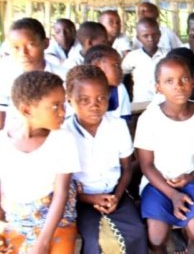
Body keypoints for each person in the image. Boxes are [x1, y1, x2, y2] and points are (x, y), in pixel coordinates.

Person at [63, 65, 146, 253]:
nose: (94, 105)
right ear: (69, 100)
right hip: (79, 199)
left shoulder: (117, 126)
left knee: (137, 232)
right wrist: (89, 198)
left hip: (115, 193)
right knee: (95, 240)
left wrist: (116, 196)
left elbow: (126, 169)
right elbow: (62, 182)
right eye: (84, 100)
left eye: (101, 98)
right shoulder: (63, 133)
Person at [134, 56, 194, 254]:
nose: (178, 86)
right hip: (157, 183)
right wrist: (173, 195)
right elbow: (147, 166)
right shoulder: (149, 119)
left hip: (192, 180)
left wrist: (190, 177)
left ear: (193, 81)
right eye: (169, 81)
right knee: (156, 237)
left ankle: (190, 251)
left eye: (184, 79)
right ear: (158, 87)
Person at [0, 71, 80, 253]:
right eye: (54, 106)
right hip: (17, 218)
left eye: (63, 104)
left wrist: (43, 242)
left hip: (55, 219)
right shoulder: (3, 141)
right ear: (27, 110)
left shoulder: (63, 140)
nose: (63, 112)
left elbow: (61, 194)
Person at [0, 18, 68, 130]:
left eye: (31, 45)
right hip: (15, 141)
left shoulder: (64, 77)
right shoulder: (5, 77)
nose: (23, 53)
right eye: (16, 48)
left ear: (46, 43)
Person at [122, 18, 170, 102]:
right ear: (138, 38)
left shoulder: (168, 55)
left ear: (159, 34)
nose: (150, 39)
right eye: (145, 36)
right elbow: (122, 74)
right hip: (140, 103)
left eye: (154, 35)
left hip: (164, 102)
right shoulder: (132, 57)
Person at [84, 45, 132, 120]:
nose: (121, 70)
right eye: (116, 65)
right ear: (97, 66)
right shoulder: (80, 90)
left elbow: (125, 121)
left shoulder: (120, 89)